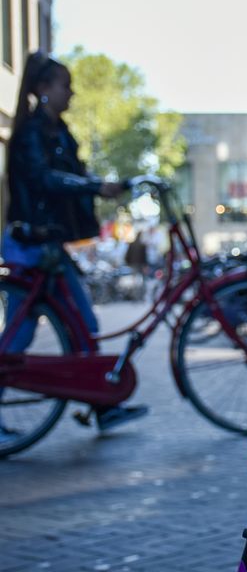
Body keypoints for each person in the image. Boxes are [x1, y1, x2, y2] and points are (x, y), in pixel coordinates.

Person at [2, 51, 148, 432]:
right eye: (66, 85)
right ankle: (102, 405)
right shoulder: (32, 133)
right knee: (29, 331)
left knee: (74, 324)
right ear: (43, 89)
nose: (73, 93)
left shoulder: (57, 131)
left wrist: (99, 185)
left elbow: (70, 176)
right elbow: (44, 179)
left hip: (47, 246)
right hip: (34, 246)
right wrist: (95, 186)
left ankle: (102, 403)